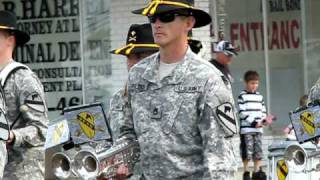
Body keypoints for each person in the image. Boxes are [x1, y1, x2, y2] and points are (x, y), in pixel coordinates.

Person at [117, 0, 239, 179]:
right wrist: (120, 161)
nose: (157, 24)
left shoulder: (208, 78)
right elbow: (127, 132)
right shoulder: (137, 75)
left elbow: (220, 156)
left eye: (166, 17)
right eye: (153, 18)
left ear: (189, 23)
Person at [0, 11, 48, 179]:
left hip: (22, 173)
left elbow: (41, 130)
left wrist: (13, 136)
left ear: (10, 40)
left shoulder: (24, 78)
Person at [238, 70, 274, 180]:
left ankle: (256, 172)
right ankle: (245, 172)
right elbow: (242, 112)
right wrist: (254, 123)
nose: (255, 85)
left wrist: (264, 121)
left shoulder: (260, 96)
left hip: (258, 130)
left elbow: (263, 111)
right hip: (247, 130)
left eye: (256, 83)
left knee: (258, 151)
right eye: (252, 83)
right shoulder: (242, 96)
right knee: (247, 151)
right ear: (246, 83)